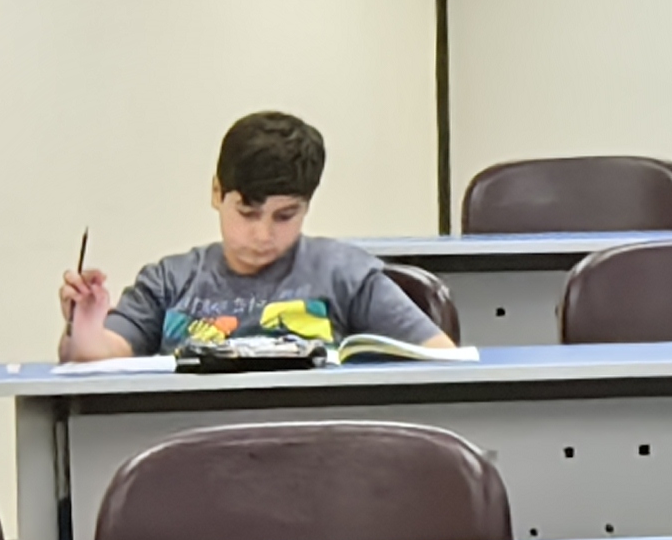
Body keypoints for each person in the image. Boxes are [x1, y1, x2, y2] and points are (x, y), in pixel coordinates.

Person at [58, 108, 445, 360]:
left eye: (285, 216)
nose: (263, 235)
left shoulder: (346, 275)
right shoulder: (168, 282)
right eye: (247, 213)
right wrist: (86, 326)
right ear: (216, 193)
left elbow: (441, 355)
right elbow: (100, 360)